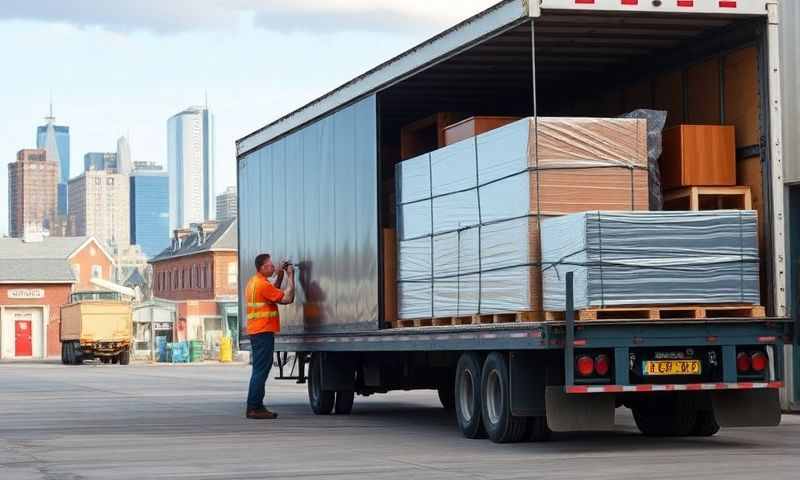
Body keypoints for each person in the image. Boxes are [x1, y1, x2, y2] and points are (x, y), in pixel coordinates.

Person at [244, 253, 295, 419]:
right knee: (261, 370)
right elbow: (287, 298)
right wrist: (291, 276)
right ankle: (254, 407)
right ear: (262, 268)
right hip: (263, 331)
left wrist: (280, 274)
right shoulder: (262, 285)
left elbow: (273, 292)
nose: (273, 267)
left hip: (257, 331)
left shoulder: (254, 282)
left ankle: (255, 405)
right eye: (270, 265)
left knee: (259, 370)